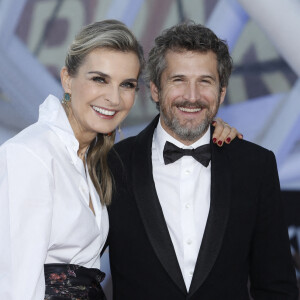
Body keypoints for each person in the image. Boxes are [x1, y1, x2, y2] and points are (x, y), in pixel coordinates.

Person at [0, 19, 239, 300]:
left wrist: (204, 126)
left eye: (126, 84)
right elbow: (15, 286)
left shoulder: (95, 161)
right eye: (99, 79)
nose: (113, 98)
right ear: (67, 78)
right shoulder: (30, 154)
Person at [107, 22, 298, 299]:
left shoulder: (255, 166)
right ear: (156, 90)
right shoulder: (113, 164)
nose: (192, 96)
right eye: (179, 80)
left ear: (221, 92)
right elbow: (76, 265)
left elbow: (277, 286)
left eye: (205, 81)